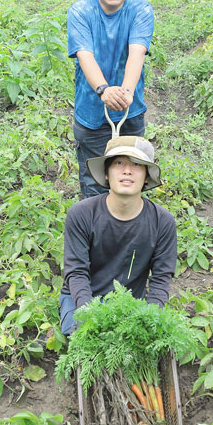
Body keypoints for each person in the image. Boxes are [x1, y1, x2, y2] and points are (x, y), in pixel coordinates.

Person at [59, 136, 177, 335]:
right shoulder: (81, 214)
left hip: (129, 302)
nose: (127, 170)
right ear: (106, 173)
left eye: (137, 164)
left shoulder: (162, 221)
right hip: (82, 298)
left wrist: (150, 318)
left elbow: (161, 279)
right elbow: (77, 272)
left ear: (147, 176)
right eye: (119, 163)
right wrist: (89, 314)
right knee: (83, 338)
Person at [67, 0, 155, 199]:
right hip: (91, 114)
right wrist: (104, 90)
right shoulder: (80, 11)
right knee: (95, 185)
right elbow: (85, 55)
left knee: (131, 181)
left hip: (130, 113)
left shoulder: (141, 10)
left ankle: (128, 234)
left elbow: (137, 52)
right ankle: (96, 234)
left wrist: (125, 92)